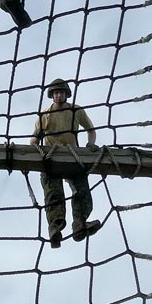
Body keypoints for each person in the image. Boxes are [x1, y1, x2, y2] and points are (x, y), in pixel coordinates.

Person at [30, 78, 101, 249]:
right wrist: (36, 151)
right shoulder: (44, 115)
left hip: (72, 155)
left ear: (66, 94)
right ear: (52, 96)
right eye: (56, 93)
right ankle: (55, 228)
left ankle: (80, 224)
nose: (59, 96)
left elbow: (91, 130)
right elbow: (34, 138)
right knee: (53, 193)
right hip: (51, 158)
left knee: (82, 190)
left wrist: (90, 144)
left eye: (61, 93)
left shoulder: (76, 110)